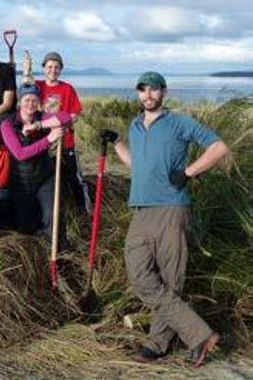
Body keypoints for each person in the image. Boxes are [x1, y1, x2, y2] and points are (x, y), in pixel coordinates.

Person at [102, 71, 229, 368]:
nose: (148, 95)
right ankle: (200, 334)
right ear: (138, 93)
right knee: (139, 276)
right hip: (141, 211)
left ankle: (157, 345)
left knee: (171, 283)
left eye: (154, 89)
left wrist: (187, 172)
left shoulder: (179, 122)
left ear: (164, 92)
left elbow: (219, 147)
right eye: (143, 90)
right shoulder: (134, 126)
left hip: (172, 210)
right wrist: (118, 141)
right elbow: (137, 163)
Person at [0, 84, 72, 250]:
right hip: (21, 183)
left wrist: (39, 126)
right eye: (26, 99)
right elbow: (20, 154)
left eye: (34, 99)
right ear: (19, 102)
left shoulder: (42, 117)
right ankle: (36, 258)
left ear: (39, 101)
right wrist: (49, 139)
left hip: (44, 178)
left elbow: (66, 117)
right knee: (26, 227)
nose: (30, 103)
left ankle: (59, 255)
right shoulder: (7, 124)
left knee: (53, 217)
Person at [34, 52, 90, 212]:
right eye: (49, 67)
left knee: (74, 176)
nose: (53, 70)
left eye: (57, 67)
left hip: (65, 141)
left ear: (61, 69)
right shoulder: (37, 86)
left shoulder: (67, 89)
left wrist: (63, 123)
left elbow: (75, 114)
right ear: (44, 68)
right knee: (44, 178)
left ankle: (84, 210)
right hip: (43, 142)